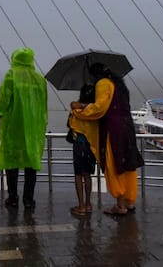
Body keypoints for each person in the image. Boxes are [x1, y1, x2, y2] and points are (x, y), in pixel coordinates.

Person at [70, 62, 143, 216]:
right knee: (127, 164)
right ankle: (129, 202)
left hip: (113, 129)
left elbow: (99, 108)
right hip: (126, 127)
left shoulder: (103, 83)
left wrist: (79, 109)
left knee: (115, 165)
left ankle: (120, 205)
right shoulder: (119, 85)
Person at [0, 47, 48, 210]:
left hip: (13, 126)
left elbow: (3, 100)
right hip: (33, 128)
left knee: (12, 163)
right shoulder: (39, 79)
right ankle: (28, 199)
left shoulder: (11, 75)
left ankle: (13, 197)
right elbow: (43, 105)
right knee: (31, 164)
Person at [67, 83, 98, 216]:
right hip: (91, 146)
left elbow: (70, 123)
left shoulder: (76, 110)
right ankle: (88, 203)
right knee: (88, 175)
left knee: (78, 176)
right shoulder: (95, 111)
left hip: (79, 145)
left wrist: (79, 105)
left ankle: (81, 206)